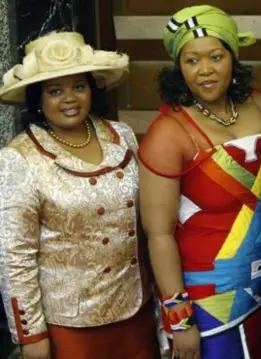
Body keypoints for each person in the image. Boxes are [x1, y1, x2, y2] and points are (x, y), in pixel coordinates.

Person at [137, 5, 261, 359]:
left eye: (216, 56)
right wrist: (180, 320)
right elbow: (158, 234)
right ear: (179, 67)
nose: (204, 70)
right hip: (210, 297)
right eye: (191, 61)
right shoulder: (168, 133)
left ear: (232, 57)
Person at [0, 31, 160, 359]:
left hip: (134, 310)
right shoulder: (20, 158)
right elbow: (15, 257)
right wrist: (31, 337)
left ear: (91, 89)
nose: (69, 98)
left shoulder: (122, 136)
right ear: (38, 100)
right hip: (69, 326)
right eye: (54, 90)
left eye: (78, 86)